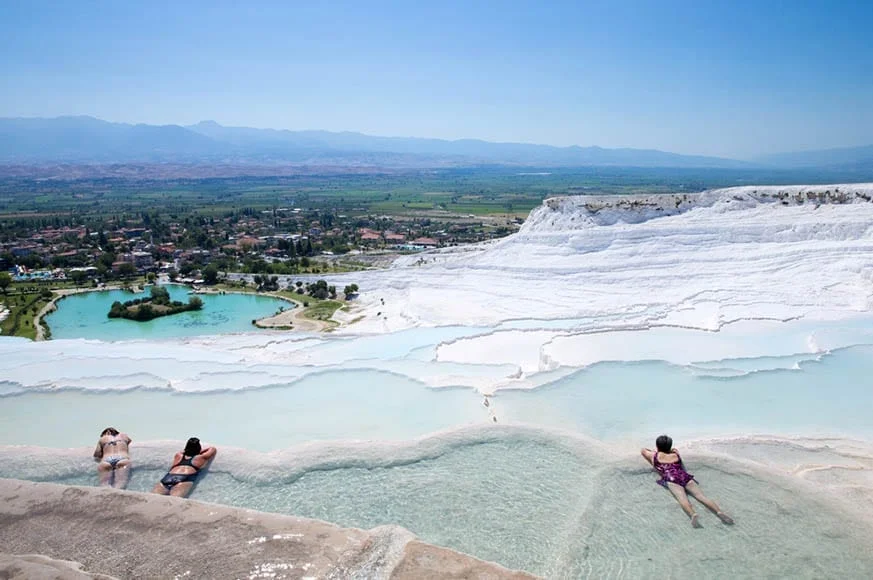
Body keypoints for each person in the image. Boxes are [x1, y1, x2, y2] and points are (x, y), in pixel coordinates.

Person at [641, 435, 734, 528]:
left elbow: (643, 450)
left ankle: (693, 514)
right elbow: (674, 449)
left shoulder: (654, 455)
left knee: (683, 499)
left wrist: (655, 451)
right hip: (684, 476)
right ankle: (719, 512)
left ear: (657, 446)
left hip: (671, 478)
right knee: (701, 496)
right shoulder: (675, 454)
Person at [152, 437, 217, 498]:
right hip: (185, 478)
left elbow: (183, 451)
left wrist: (190, 450)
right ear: (198, 448)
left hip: (168, 477)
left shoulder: (178, 455)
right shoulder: (201, 457)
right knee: (174, 501)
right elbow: (213, 449)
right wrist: (199, 451)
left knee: (152, 498)